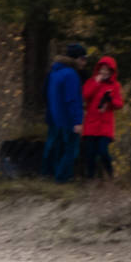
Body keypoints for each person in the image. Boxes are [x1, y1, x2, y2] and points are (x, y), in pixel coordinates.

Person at [44, 42, 87, 184]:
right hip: (67, 120)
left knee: (58, 149)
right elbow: (72, 100)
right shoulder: (71, 75)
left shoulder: (55, 73)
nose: (84, 62)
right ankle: (62, 179)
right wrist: (77, 121)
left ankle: (52, 175)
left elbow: (48, 95)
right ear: (76, 59)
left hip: (56, 119)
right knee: (71, 151)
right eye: (83, 58)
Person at [81, 55, 124, 180]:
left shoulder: (115, 85)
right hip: (91, 124)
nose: (104, 72)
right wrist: (96, 83)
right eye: (102, 69)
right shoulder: (92, 81)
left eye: (106, 70)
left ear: (111, 71)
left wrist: (110, 101)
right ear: (98, 70)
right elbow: (85, 95)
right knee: (90, 154)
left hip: (105, 125)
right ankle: (90, 179)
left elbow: (119, 104)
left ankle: (110, 176)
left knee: (103, 151)